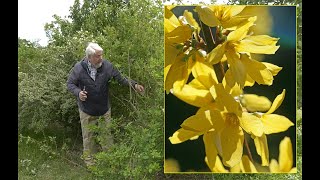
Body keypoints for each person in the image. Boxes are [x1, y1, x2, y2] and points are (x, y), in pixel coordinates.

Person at [67, 42, 144, 166]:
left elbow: (121, 78)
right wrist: (78, 93)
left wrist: (134, 85)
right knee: (88, 138)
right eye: (98, 56)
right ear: (89, 57)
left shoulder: (107, 66)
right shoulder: (79, 68)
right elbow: (70, 84)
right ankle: (90, 164)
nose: (101, 58)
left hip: (104, 108)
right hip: (86, 109)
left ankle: (110, 161)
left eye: (101, 55)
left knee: (106, 135)